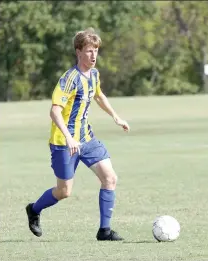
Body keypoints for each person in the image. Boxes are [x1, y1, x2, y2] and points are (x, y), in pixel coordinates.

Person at [26, 28, 130, 241]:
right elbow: (54, 111)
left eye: (96, 51)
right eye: (89, 51)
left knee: (110, 178)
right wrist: (68, 137)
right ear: (78, 52)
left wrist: (116, 117)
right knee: (64, 191)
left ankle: (105, 231)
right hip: (63, 142)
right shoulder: (69, 79)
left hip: (87, 138)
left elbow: (99, 96)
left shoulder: (94, 74)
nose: (93, 56)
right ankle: (34, 209)